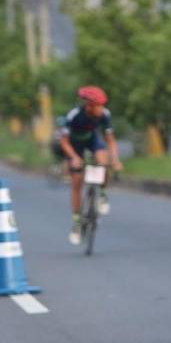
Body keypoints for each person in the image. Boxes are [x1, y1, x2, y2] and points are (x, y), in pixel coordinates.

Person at [58, 86, 123, 245]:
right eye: (98, 106)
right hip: (74, 145)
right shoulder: (74, 115)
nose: (101, 109)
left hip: (92, 140)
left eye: (102, 105)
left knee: (104, 160)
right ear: (89, 106)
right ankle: (77, 223)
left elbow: (110, 140)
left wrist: (115, 159)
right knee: (77, 181)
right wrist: (73, 157)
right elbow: (63, 141)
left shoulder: (104, 115)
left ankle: (102, 193)